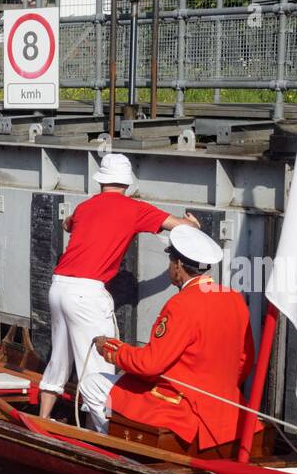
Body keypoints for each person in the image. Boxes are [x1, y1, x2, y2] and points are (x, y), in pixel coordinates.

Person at [37, 153, 200, 423]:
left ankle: (42, 418)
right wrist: (193, 223)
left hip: (59, 286)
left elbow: (67, 224)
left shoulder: (85, 207)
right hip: (88, 293)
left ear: (101, 181)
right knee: (98, 364)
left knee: (60, 356)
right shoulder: (135, 209)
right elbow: (179, 227)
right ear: (127, 184)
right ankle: (100, 434)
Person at [86, 225, 257, 449]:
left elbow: (150, 364)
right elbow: (245, 359)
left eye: (170, 262)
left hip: (182, 405)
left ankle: (116, 447)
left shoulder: (181, 304)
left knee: (91, 384)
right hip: (224, 404)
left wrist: (110, 347)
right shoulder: (233, 298)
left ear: (178, 266)